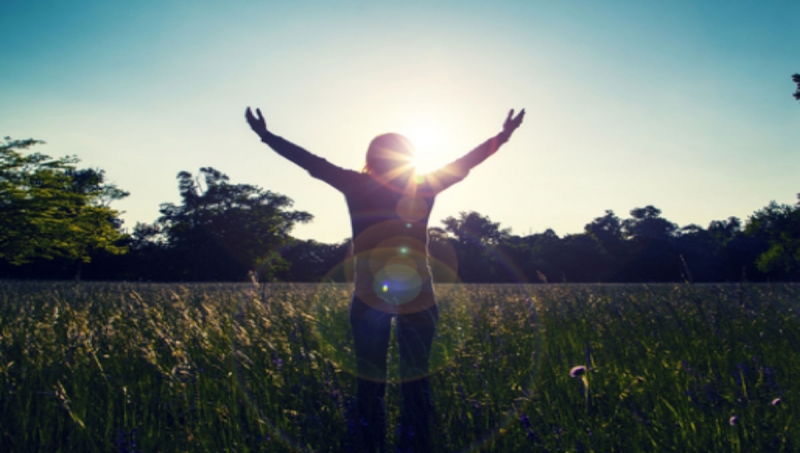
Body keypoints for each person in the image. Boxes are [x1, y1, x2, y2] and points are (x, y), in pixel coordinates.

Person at [245, 106, 524, 452]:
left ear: (371, 158)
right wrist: (505, 135)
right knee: (416, 375)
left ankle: (369, 438)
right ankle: (416, 440)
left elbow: (309, 161)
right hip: (416, 290)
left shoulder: (356, 183)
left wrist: (266, 135)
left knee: (370, 377)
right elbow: (466, 162)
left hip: (370, 291)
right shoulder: (423, 185)